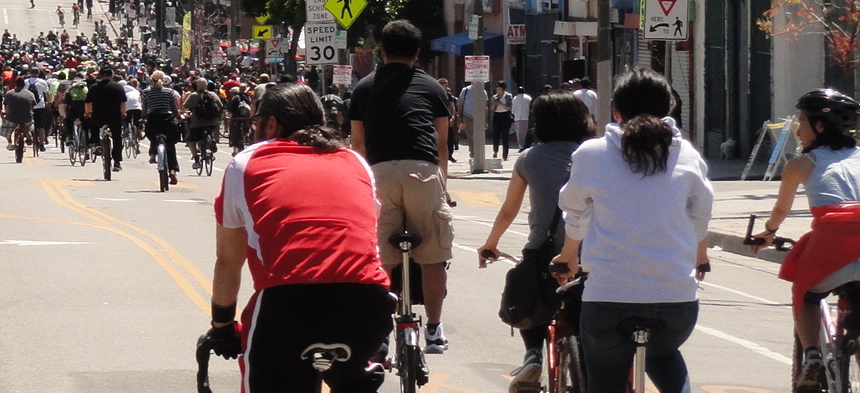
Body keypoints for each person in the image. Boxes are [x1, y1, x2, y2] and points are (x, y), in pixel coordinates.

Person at [204, 83, 393, 393]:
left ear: (271, 123)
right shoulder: (355, 161)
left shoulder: (245, 163)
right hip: (366, 304)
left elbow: (228, 261)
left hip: (289, 304)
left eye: (256, 122)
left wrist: (222, 326)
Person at [556, 69, 714, 393]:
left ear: (616, 110)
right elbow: (701, 215)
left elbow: (575, 213)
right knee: (664, 353)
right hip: (676, 303)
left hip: (608, 298)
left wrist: (568, 256)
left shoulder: (591, 154)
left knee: (604, 377)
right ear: (668, 108)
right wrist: (700, 257)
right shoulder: (688, 155)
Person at [750, 89, 860, 393]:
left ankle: (812, 353)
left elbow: (780, 210)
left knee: (808, 296)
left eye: (802, 121)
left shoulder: (802, 164)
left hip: (831, 249)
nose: (798, 130)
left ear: (821, 126)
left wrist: (769, 231)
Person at [347, 20, 455, 352]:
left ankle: (379, 334)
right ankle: (434, 329)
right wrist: (443, 187)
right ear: (417, 54)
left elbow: (358, 145)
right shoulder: (434, 89)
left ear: (381, 52)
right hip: (422, 171)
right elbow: (441, 147)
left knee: (380, 258)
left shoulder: (363, 88)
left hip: (379, 173)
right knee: (433, 256)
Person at [479, 92, 598, 392]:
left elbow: (509, 210)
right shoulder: (596, 156)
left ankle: (533, 354)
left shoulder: (529, 158)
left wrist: (490, 244)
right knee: (584, 311)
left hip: (543, 254)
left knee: (527, 297)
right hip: (592, 254)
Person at [142, 70, 184, 185]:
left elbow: (145, 109)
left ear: (152, 80)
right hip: (168, 120)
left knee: (153, 138)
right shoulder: (169, 92)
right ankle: (173, 170)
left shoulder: (146, 92)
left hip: (153, 120)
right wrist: (179, 117)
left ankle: (154, 153)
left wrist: (142, 118)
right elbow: (174, 108)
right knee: (170, 146)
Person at [85, 65, 128, 171]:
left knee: (93, 126)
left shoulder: (94, 87)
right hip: (114, 115)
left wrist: (87, 113)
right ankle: (117, 162)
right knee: (117, 137)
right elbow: (123, 103)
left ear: (100, 75)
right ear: (111, 75)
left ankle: (96, 144)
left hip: (98, 115)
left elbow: (88, 103)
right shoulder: (118, 87)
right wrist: (123, 113)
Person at [491, 81, 515, 159]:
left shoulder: (508, 96)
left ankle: (505, 154)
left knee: (505, 135)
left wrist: (500, 103)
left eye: (499, 88)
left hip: (505, 116)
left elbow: (508, 107)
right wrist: (494, 104)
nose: (497, 90)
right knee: (496, 135)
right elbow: (492, 109)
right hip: (497, 115)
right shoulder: (495, 97)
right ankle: (495, 151)